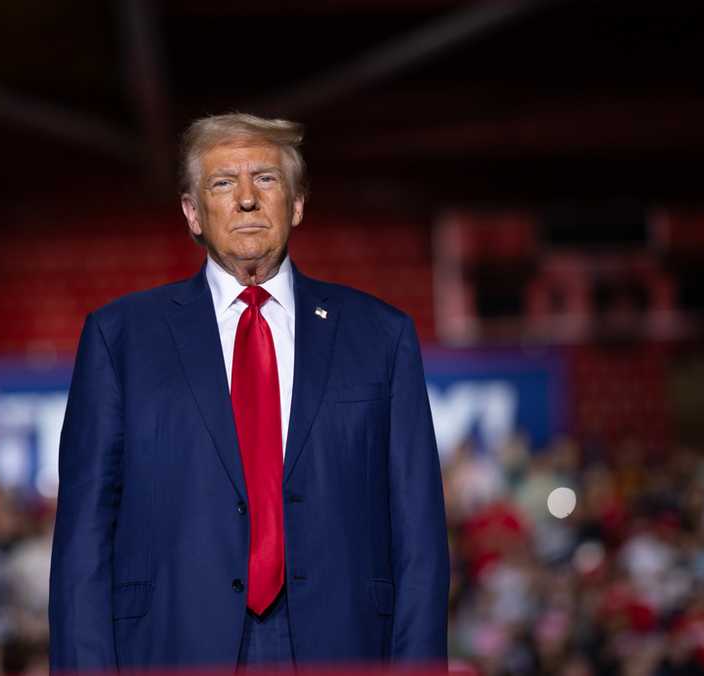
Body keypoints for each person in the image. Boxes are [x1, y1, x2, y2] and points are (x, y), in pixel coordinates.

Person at [48, 113, 449, 671]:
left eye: (265, 179)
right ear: (192, 212)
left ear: (298, 203)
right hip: (171, 644)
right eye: (221, 183)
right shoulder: (121, 338)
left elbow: (419, 533)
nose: (245, 200)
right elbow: (82, 538)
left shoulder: (380, 334)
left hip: (343, 645)